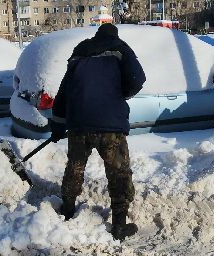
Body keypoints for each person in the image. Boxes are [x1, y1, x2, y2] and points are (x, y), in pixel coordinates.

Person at [50, 23, 146, 240]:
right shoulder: (121, 48)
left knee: (75, 167)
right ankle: (119, 225)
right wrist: (121, 93)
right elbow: (137, 80)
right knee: (118, 171)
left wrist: (57, 125)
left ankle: (67, 210)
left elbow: (64, 91)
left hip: (79, 123)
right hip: (109, 124)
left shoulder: (80, 51)